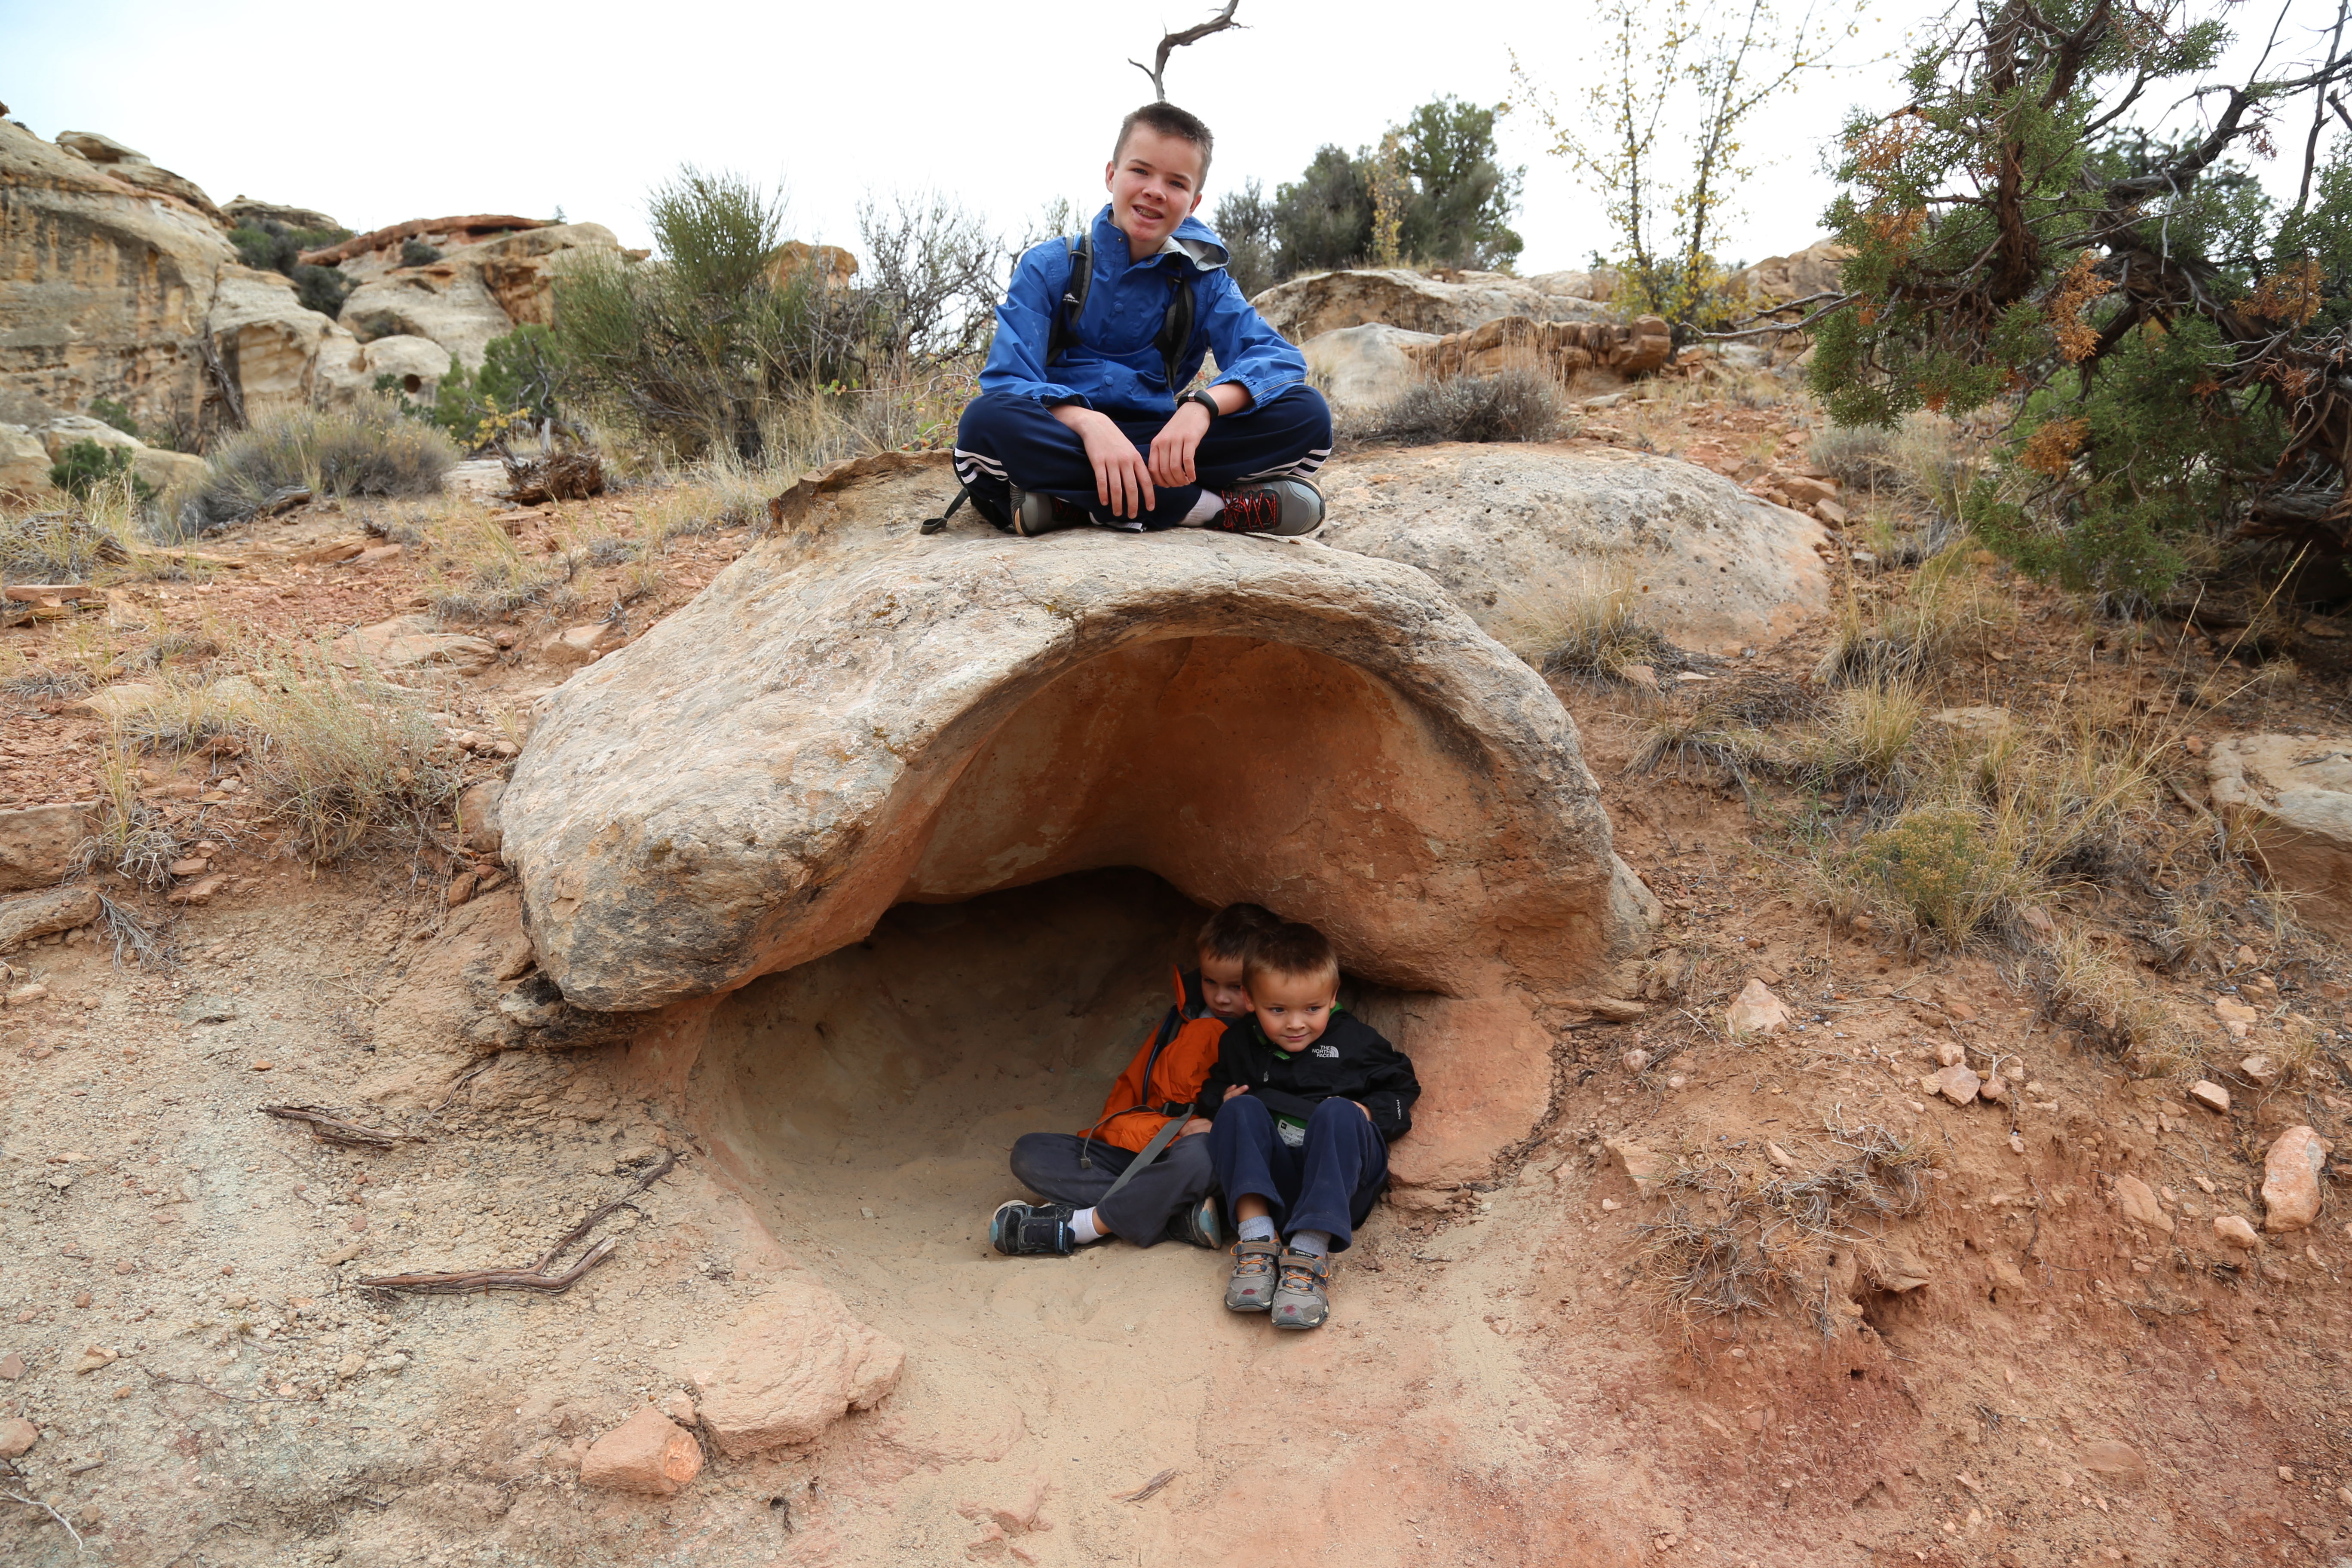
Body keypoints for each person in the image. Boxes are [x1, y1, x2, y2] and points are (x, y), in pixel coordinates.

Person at [952, 101, 1333, 540]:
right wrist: (1089, 424)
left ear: (1194, 203)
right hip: (1065, 434)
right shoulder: (1048, 266)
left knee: (1308, 416)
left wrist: (1201, 410)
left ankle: (1069, 503)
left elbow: (1277, 360)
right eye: (1141, 171)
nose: (1156, 191)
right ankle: (1207, 508)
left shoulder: (1205, 282)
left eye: (1176, 183)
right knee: (986, 423)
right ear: (1111, 175)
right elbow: (1008, 379)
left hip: (1164, 442)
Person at [990, 902, 1283, 1256]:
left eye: (1235, 987)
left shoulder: (1269, 1035)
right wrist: (1122, 1134)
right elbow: (1134, 1090)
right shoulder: (1180, 1018)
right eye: (1210, 982)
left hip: (1203, 1155)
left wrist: (1217, 1124)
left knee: (1199, 1156)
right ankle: (1176, 1217)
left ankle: (1089, 1225)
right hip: (1148, 1143)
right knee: (1031, 1152)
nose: (1220, 997)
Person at [1192, 921, 1418, 1330]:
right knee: (1238, 1109)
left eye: (1312, 1009)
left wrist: (1366, 1114)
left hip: (1341, 1184)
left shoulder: (1356, 1042)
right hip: (1272, 1182)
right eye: (1277, 1010)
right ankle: (1257, 1241)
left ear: (1332, 998)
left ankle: (1309, 1255)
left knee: (1338, 1112)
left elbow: (1403, 1089)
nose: (1296, 1024)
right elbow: (1211, 1087)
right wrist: (1219, 1102)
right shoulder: (1239, 1042)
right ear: (1249, 1000)